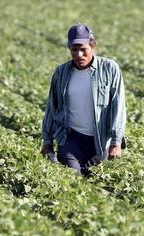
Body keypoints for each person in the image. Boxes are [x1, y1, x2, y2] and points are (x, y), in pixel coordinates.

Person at [40, 23, 126, 176]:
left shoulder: (110, 69)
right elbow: (52, 107)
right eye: (74, 50)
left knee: (95, 182)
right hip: (71, 139)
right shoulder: (62, 72)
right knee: (74, 179)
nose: (79, 55)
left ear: (93, 47)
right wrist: (47, 141)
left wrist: (116, 142)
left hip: (100, 142)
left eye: (83, 49)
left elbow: (118, 107)